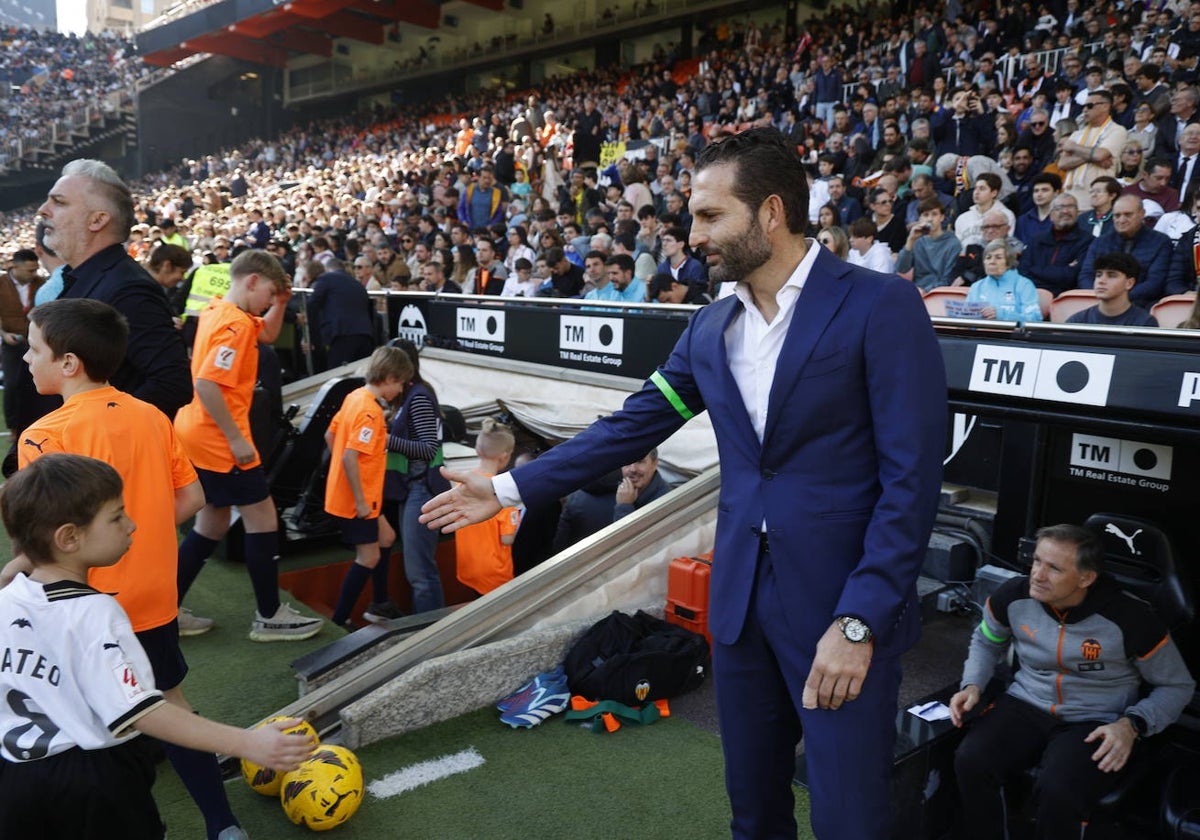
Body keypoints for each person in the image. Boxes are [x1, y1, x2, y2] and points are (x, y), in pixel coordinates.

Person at [420, 127, 947, 840]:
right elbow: (629, 427)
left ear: (768, 213)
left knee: (849, 819)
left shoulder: (879, 306)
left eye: (708, 216)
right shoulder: (708, 331)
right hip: (738, 609)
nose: (692, 234)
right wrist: (510, 488)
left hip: (839, 610)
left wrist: (859, 623)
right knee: (753, 812)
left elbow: (911, 483)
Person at [7, 298, 254, 839]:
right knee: (167, 701)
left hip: (82, 605)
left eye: (34, 348)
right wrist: (134, 531)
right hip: (152, 594)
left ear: (69, 362)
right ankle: (224, 825)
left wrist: (9, 575)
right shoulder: (152, 415)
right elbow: (190, 498)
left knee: (91, 717)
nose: (26, 359)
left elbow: (50, 538)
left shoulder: (41, 436)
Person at [0, 453, 315, 839]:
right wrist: (248, 742)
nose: (131, 525)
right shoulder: (95, 612)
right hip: (93, 780)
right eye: (116, 517)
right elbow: (142, 711)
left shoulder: (7, 599)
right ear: (68, 537)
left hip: (15, 774)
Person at [951, 524, 1194, 840]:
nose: (1037, 574)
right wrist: (973, 684)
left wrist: (1131, 726)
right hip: (1027, 700)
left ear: (1085, 578)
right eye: (1037, 561)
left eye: (1053, 568)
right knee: (971, 760)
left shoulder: (1132, 617)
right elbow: (986, 641)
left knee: (1059, 791)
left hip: (1094, 718)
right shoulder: (1012, 595)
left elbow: (1177, 686)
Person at [174, 250, 323, 642]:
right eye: (270, 294)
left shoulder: (219, 310)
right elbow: (207, 384)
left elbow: (269, 333)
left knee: (212, 521)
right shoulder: (235, 326)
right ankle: (270, 614)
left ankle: (165, 607)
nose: (270, 303)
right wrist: (238, 440)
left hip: (198, 433)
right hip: (219, 440)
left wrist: (282, 302)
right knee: (262, 517)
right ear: (252, 281)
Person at [35, 159, 191, 418]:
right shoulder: (88, 278)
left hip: (90, 455)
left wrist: (93, 431)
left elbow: (171, 383)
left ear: (97, 220)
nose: (43, 210)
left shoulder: (128, 289)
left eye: (59, 202)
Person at [325, 346, 412, 628]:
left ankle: (380, 604)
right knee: (369, 555)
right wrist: (360, 500)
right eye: (400, 383)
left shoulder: (354, 397)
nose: (400, 390)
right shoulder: (370, 412)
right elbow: (351, 456)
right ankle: (341, 619)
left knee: (386, 537)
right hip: (358, 501)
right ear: (388, 377)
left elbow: (331, 434)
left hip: (361, 497)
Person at [386, 339, 451, 614]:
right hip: (412, 489)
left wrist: (386, 439)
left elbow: (427, 448)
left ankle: (428, 636)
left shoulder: (420, 396)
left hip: (422, 490)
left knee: (421, 573)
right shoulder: (411, 394)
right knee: (418, 571)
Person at [455, 418, 519, 597]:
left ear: (477, 449)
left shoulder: (463, 483)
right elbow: (507, 539)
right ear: (505, 456)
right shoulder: (505, 493)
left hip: (467, 569)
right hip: (495, 578)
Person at [1078, 195, 1175, 307]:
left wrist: (1119, 297)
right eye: (1117, 215)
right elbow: (1086, 275)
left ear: (1142, 214)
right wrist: (1100, 295)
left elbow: (1155, 282)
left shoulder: (1161, 242)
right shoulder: (1100, 242)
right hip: (1100, 303)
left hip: (1142, 306)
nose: (1121, 220)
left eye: (1128, 215)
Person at [1019, 192, 1094, 307]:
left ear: (1078, 212)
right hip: (1031, 300)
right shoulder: (1036, 241)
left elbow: (1071, 276)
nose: (1065, 211)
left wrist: (1035, 269)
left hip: (1067, 302)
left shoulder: (1088, 241)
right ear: (1051, 216)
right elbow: (1024, 272)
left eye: (1070, 206)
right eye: (1059, 208)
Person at [0, 249, 43, 438]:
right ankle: (13, 427)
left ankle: (37, 424)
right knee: (11, 384)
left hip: (37, 343)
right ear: (14, 266)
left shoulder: (42, 283)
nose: (34, 274)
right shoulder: (1, 284)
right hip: (10, 343)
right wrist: (3, 334)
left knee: (37, 385)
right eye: (30, 270)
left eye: (35, 269)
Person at [307, 257, 377, 369]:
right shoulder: (357, 284)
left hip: (341, 335)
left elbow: (312, 305)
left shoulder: (326, 278)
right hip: (365, 336)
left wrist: (313, 339)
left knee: (338, 379)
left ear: (327, 269)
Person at [1067, 252, 1159, 326]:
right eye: (1098, 275)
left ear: (1129, 283)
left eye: (1111, 275)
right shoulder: (1077, 321)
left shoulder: (1144, 323)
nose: (1101, 281)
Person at [965, 239, 1043, 322]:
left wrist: (1002, 315)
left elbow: (1034, 319)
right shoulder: (976, 286)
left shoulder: (1024, 285)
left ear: (1009, 263)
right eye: (988, 257)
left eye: (998, 258)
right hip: (979, 334)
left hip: (1011, 334)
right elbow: (967, 317)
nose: (992, 262)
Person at [897, 197, 962, 291]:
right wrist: (910, 241)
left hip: (939, 292)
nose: (930, 219)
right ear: (920, 218)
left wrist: (926, 290)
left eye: (934, 214)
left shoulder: (953, 243)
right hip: (918, 289)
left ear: (942, 217)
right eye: (926, 215)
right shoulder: (917, 241)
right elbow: (902, 269)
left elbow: (948, 279)